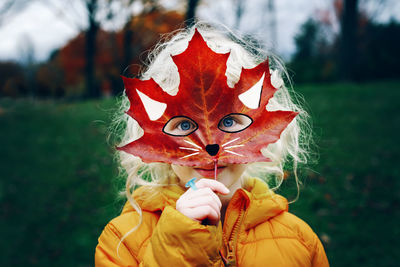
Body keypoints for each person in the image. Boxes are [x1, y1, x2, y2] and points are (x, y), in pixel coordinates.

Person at [95, 23, 329, 267]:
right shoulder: (123, 241)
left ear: (261, 127)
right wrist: (179, 243)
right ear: (154, 136)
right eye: (184, 125)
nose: (210, 146)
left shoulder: (299, 241)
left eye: (229, 121)